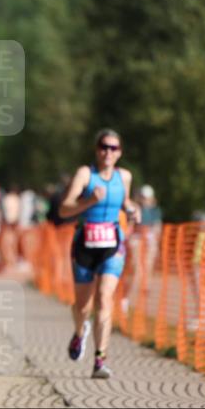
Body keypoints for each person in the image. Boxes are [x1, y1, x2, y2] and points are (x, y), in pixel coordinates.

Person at [58, 129, 140, 379]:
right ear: (97, 149)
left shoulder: (124, 176)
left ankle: (99, 360)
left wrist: (132, 209)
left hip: (112, 244)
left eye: (114, 148)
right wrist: (89, 201)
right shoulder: (86, 174)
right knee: (83, 307)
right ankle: (79, 331)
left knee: (105, 299)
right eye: (104, 147)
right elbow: (63, 210)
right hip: (84, 242)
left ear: (120, 153)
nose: (108, 152)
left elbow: (124, 202)